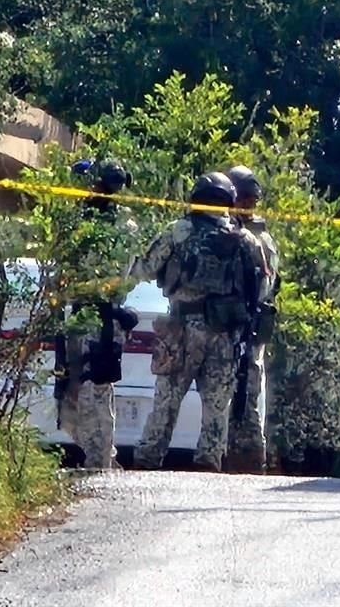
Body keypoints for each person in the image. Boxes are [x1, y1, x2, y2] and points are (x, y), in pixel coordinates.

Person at [131, 172, 267, 472]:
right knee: (217, 408)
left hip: (181, 329)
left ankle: (147, 461)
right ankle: (208, 465)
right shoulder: (245, 239)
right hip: (224, 334)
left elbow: (145, 268)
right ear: (228, 201)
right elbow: (262, 288)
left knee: (166, 401)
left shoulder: (177, 231)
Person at [56, 158, 139, 470]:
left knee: (96, 392)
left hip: (101, 319)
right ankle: (102, 459)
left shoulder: (112, 227)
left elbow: (109, 277)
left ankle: (101, 463)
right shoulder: (86, 220)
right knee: (73, 391)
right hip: (81, 317)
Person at [223, 164, 280, 474]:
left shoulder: (258, 237)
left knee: (251, 390)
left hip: (248, 325)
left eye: (250, 201)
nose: (247, 207)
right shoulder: (225, 232)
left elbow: (269, 282)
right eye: (243, 200)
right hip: (227, 325)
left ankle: (250, 460)